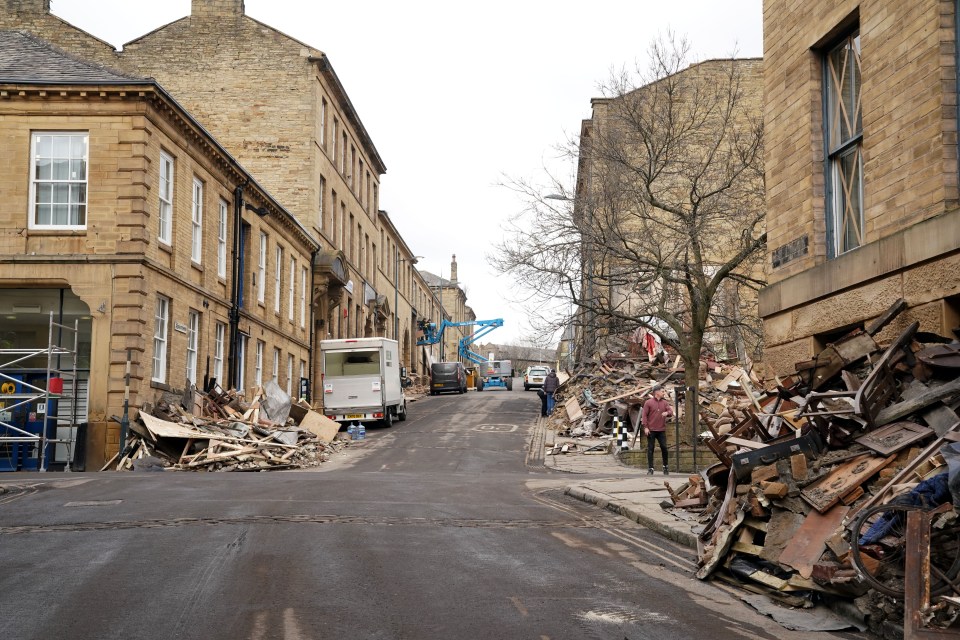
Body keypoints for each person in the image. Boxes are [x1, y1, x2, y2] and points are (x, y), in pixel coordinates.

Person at [642, 385, 674, 475]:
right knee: (650, 449)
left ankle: (665, 467)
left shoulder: (665, 403)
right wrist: (646, 427)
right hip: (651, 430)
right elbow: (644, 415)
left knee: (664, 448)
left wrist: (667, 413)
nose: (664, 393)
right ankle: (650, 468)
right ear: (657, 392)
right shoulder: (648, 403)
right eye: (662, 391)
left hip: (661, 430)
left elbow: (671, 412)